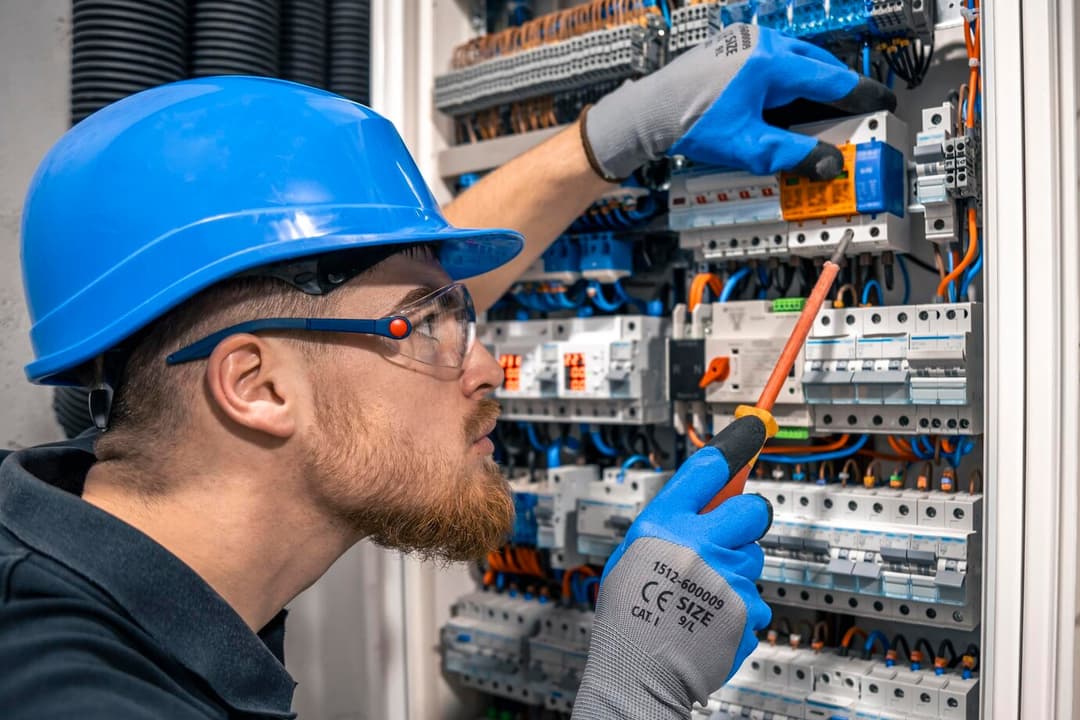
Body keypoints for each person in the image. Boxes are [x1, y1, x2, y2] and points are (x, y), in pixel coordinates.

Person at [0, 24, 892, 719]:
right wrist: (632, 697)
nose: (487, 365)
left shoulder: (79, 559)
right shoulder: (73, 694)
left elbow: (350, 321)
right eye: (433, 325)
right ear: (257, 388)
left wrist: (623, 132)